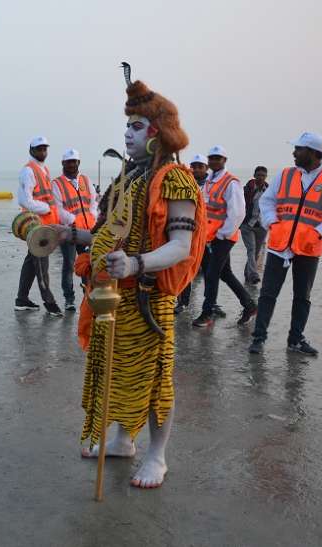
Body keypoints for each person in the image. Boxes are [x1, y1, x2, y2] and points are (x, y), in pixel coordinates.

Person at [75, 66, 205, 489]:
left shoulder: (177, 180)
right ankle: (122, 440)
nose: (128, 134)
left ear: (158, 132)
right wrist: (65, 235)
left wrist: (135, 264)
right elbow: (104, 235)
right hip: (115, 299)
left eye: (137, 126)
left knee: (154, 382)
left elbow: (180, 247)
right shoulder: (127, 178)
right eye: (126, 126)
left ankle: (158, 456)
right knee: (116, 371)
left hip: (149, 299)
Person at [249, 132, 322, 355]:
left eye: (299, 149)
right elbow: (267, 201)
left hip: (309, 247)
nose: (294, 153)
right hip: (279, 244)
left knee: (302, 296)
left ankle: (295, 340)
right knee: (267, 293)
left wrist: (319, 233)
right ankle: (259, 338)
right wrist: (272, 222)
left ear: (313, 153)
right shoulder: (285, 175)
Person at [191, 146, 257, 327]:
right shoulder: (211, 180)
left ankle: (207, 313)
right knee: (225, 273)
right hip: (210, 236)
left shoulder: (231, 182)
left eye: (217, 158)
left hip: (223, 237)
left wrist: (222, 234)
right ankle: (249, 305)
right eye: (211, 158)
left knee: (212, 274)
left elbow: (237, 213)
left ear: (224, 160)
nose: (213, 161)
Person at [15, 136, 62, 316]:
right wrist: (47, 208)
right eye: (39, 149)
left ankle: (22, 299)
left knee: (31, 262)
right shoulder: (28, 171)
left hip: (45, 225)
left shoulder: (43, 169)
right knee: (42, 267)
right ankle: (50, 303)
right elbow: (25, 200)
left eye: (45, 149)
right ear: (31, 150)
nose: (43, 152)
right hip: (36, 226)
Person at [51, 148, 98, 311]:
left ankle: (88, 294)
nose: (72, 165)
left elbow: (93, 202)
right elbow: (58, 209)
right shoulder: (57, 184)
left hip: (87, 231)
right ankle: (69, 298)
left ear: (79, 163)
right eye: (69, 162)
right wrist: (72, 220)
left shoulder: (86, 180)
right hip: (69, 231)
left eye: (74, 162)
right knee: (69, 264)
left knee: (87, 264)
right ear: (63, 163)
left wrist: (93, 217)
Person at [174, 154, 210, 314]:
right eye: (193, 166)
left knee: (214, 272)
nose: (195, 169)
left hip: (210, 236)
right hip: (189, 233)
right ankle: (183, 301)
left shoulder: (212, 185)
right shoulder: (185, 183)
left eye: (199, 166)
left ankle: (211, 303)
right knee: (185, 267)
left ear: (206, 168)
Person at [241, 166, 269, 284]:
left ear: (266, 176)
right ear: (254, 175)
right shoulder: (247, 189)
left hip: (262, 226)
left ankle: (248, 275)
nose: (260, 177)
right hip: (248, 225)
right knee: (251, 249)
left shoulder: (269, 190)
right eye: (258, 175)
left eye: (263, 175)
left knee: (256, 252)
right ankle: (253, 274)